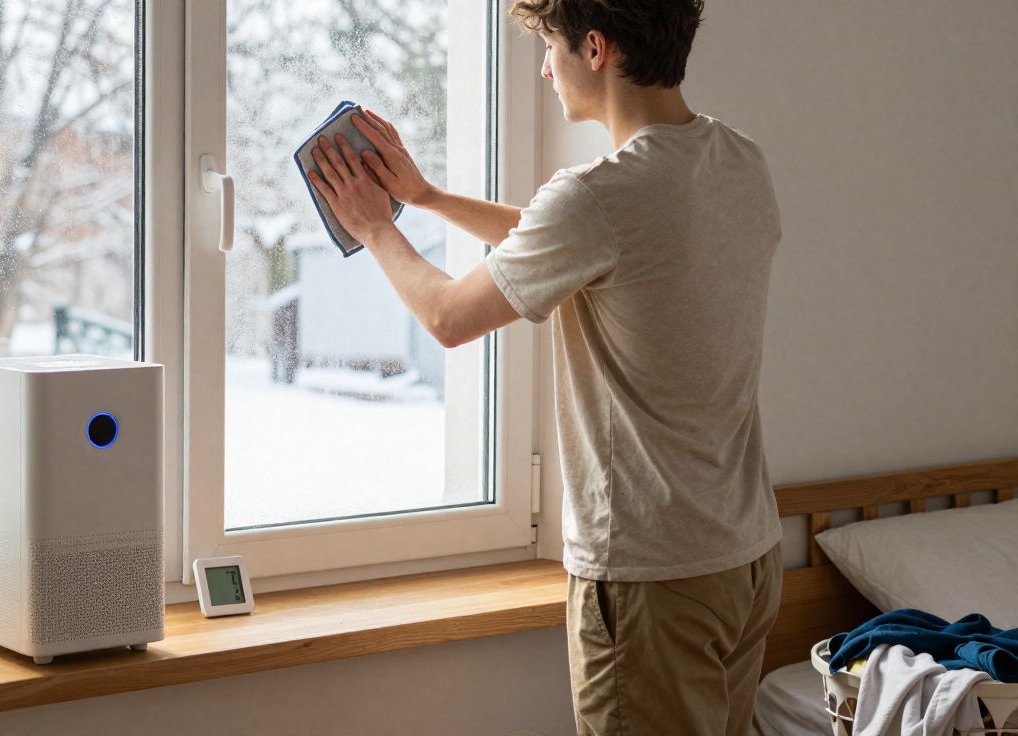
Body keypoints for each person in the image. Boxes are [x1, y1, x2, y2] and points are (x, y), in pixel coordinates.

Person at [307, 0, 782, 733]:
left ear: (595, 48)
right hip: (744, 558)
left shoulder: (601, 195)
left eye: (549, 47)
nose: (543, 66)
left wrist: (375, 229)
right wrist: (425, 198)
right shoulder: (737, 162)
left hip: (652, 575)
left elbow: (447, 317)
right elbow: (589, 244)